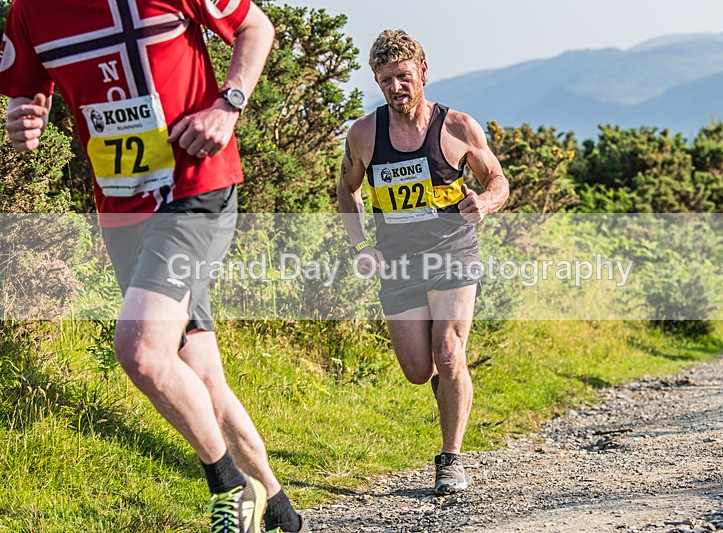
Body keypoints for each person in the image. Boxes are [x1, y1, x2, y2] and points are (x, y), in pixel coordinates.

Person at [0, 1, 306, 531]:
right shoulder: (30, 11)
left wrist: (228, 105)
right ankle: (279, 507)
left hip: (195, 190)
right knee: (195, 369)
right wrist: (26, 114)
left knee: (141, 349)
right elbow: (29, 87)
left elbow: (256, 26)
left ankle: (230, 487)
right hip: (121, 205)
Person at [337, 29, 509, 496]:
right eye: (385, 79)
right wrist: (360, 246)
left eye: (403, 76)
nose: (396, 87)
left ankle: (450, 459)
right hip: (397, 262)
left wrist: (487, 203)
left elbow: (497, 179)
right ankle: (450, 389)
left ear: (422, 72)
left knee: (450, 351)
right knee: (418, 369)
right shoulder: (365, 134)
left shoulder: (457, 127)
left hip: (454, 252)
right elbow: (346, 191)